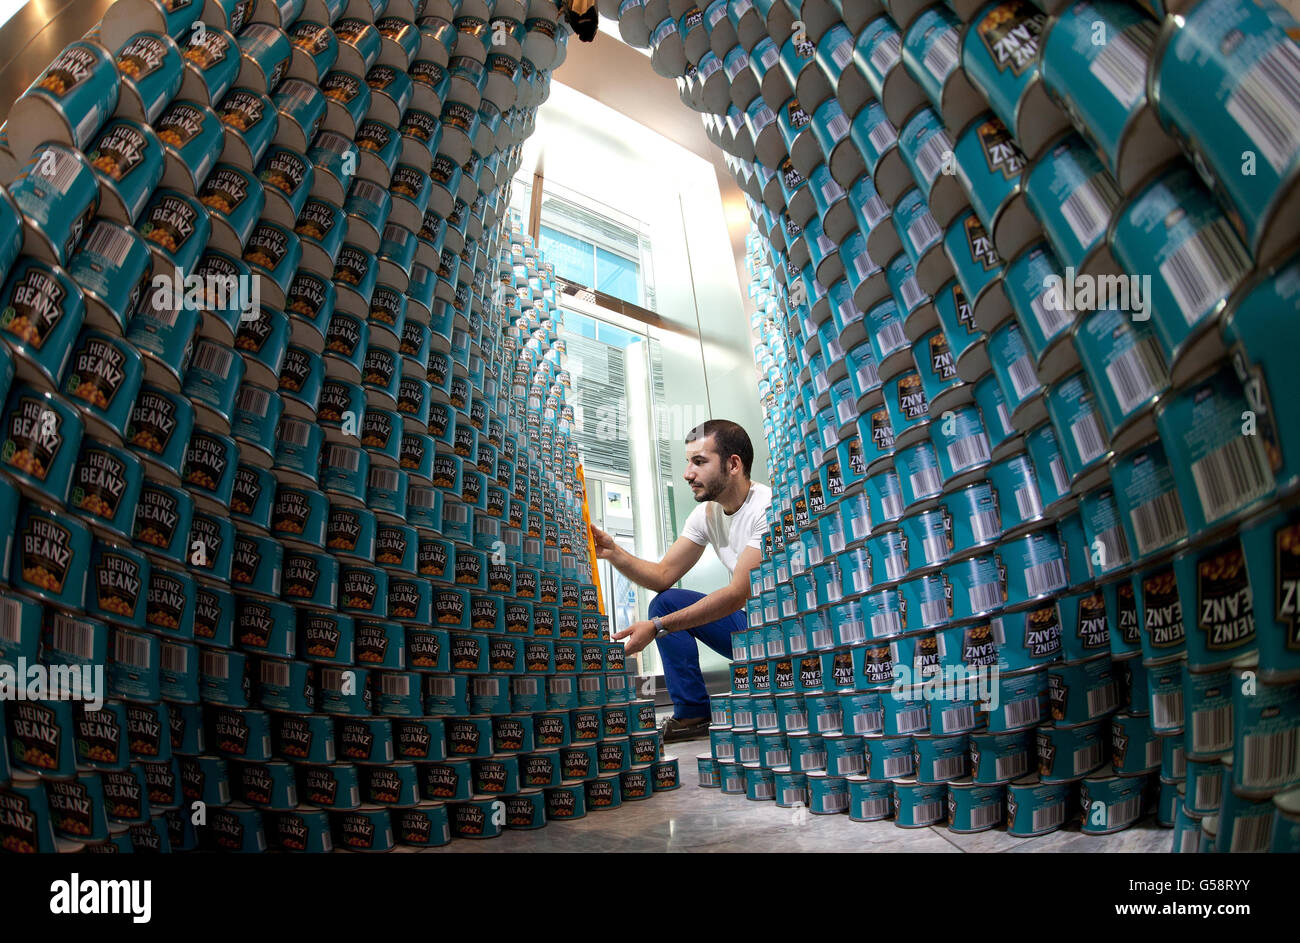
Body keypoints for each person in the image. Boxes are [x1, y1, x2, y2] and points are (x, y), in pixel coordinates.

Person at [591, 419, 771, 743]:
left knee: (664, 614)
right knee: (665, 601)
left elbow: (736, 595)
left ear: (733, 464)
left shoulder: (767, 508)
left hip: (788, 635)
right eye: (688, 462)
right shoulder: (706, 514)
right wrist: (615, 553)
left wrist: (658, 627)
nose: (688, 473)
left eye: (699, 462)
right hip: (751, 630)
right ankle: (692, 715)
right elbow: (663, 576)